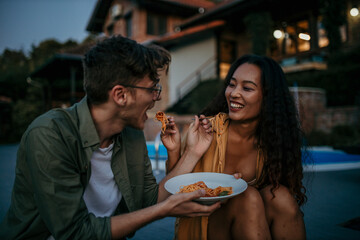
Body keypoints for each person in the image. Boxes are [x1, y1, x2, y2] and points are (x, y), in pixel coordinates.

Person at [0, 35, 220, 240]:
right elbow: (75, 232)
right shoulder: (49, 135)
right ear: (121, 95)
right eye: (153, 90)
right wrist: (162, 211)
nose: (157, 98)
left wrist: (192, 152)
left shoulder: (132, 134)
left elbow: (150, 200)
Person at [166, 54, 307, 240]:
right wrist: (174, 151)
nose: (234, 93)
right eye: (231, 84)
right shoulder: (205, 131)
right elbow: (171, 194)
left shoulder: (271, 143)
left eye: (247, 88)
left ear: (268, 98)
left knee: (280, 196)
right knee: (246, 196)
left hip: (248, 225)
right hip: (202, 225)